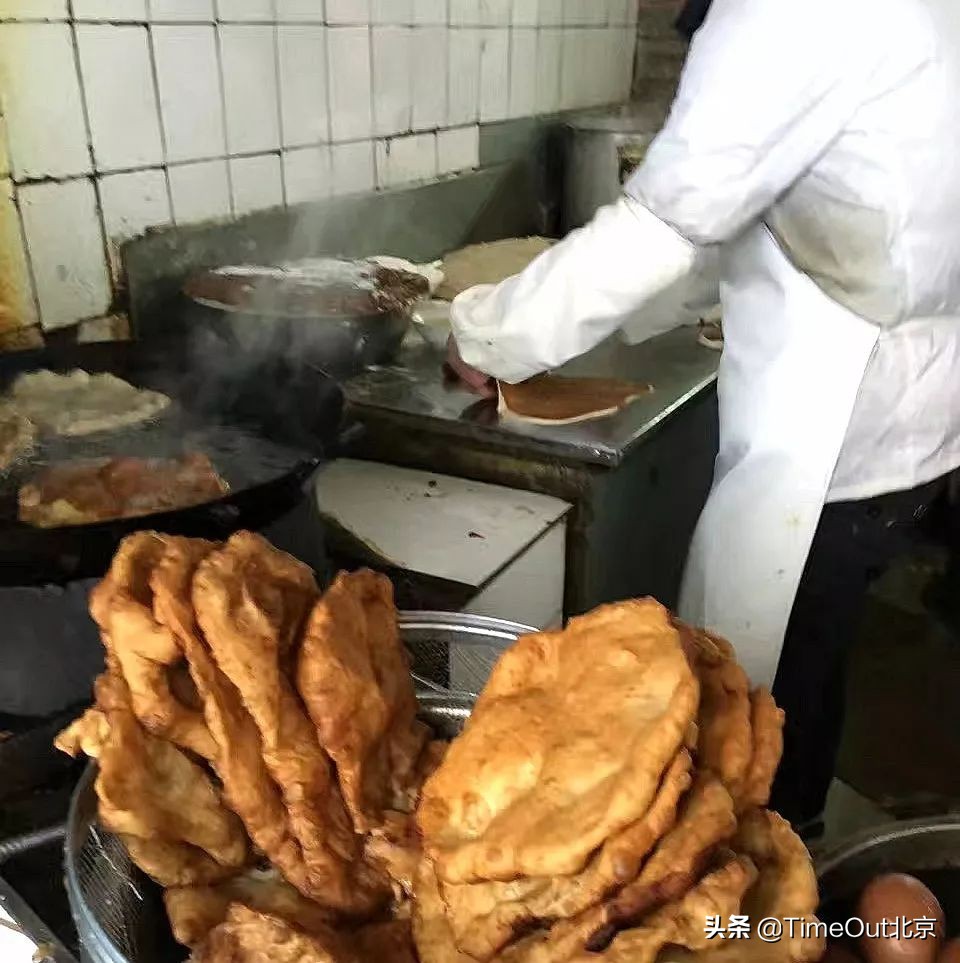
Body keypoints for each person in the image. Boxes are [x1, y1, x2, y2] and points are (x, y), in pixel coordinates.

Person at [444, 0, 960, 832]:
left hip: (835, 424)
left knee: (751, 708)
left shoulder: (787, 12)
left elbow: (662, 226)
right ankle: (793, 858)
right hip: (914, 415)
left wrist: (488, 334)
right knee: (810, 673)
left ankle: (751, 913)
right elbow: (747, 213)